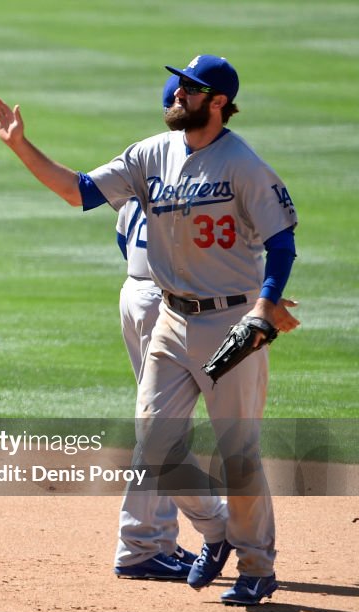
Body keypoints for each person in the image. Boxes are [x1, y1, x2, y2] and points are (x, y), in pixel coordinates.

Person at [0, 54, 299, 605]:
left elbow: (281, 243)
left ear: (218, 102)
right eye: (177, 85)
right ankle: (219, 530)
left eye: (189, 89)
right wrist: (19, 146)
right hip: (172, 321)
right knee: (153, 444)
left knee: (238, 452)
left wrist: (263, 308)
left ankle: (257, 566)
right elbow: (78, 191)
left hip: (232, 320)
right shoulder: (150, 153)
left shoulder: (244, 166)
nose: (175, 94)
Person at [112, 75, 211, 581]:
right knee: (162, 429)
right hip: (163, 301)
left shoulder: (139, 168)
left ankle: (152, 541)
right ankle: (145, 543)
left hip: (136, 294)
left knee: (159, 424)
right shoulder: (183, 172)